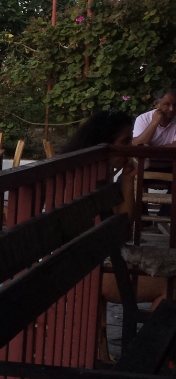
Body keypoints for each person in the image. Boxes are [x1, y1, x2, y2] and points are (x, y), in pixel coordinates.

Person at [62, 110, 166, 308]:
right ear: (104, 143)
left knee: (169, 293)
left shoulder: (101, 174)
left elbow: (124, 224)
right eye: (125, 142)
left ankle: (153, 336)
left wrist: (127, 179)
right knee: (170, 288)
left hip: (101, 263)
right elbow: (117, 231)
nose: (130, 148)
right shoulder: (81, 179)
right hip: (85, 272)